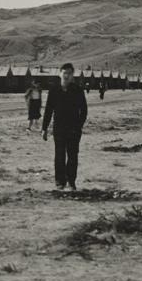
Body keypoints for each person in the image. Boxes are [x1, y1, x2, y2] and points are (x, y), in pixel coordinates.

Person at [42, 63, 88, 191]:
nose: (67, 75)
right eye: (64, 72)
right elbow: (48, 110)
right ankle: (60, 182)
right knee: (59, 155)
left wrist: (78, 126)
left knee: (73, 156)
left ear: (73, 75)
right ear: (60, 74)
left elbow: (83, 110)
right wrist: (44, 129)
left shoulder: (78, 90)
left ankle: (71, 182)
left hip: (74, 129)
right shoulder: (54, 91)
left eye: (69, 73)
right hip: (59, 129)